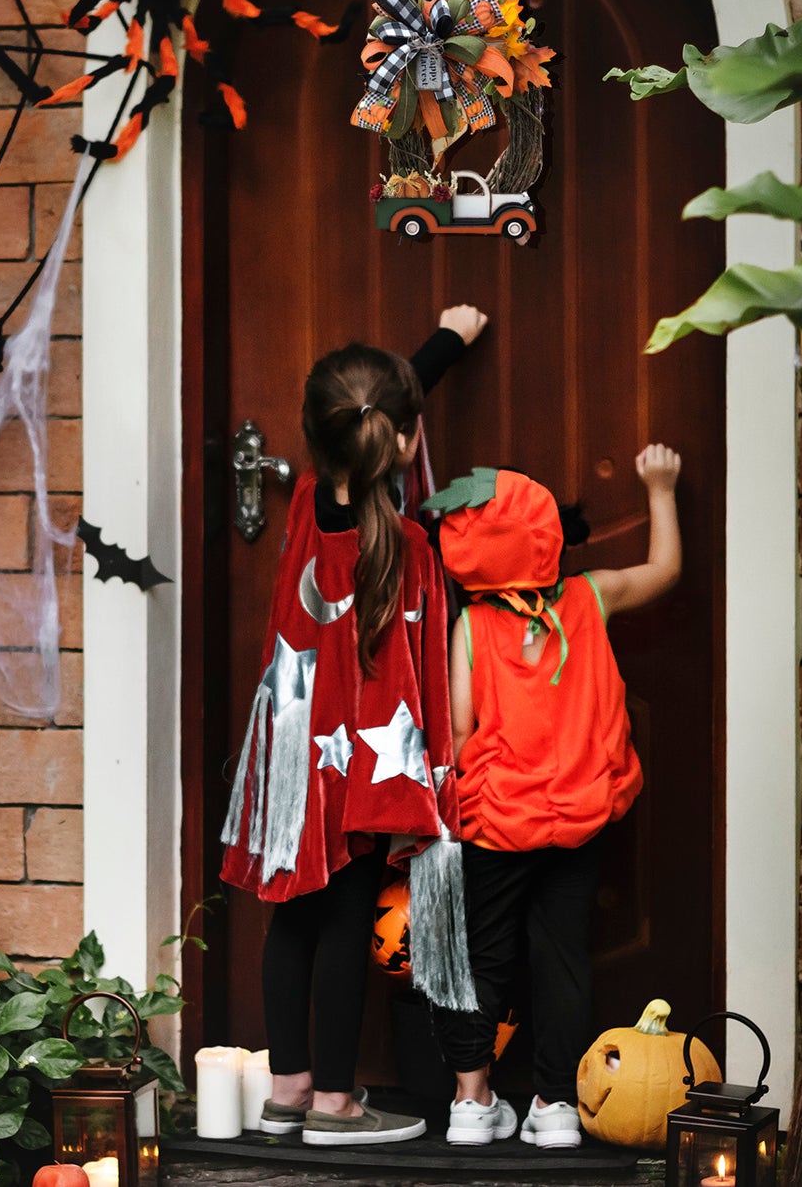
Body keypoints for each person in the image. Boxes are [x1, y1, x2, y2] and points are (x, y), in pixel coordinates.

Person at [220, 308, 487, 1147]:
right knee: (344, 917)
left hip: (294, 751)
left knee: (288, 911)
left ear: (319, 440)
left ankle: (288, 1087)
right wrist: (450, 343)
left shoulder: (301, 503)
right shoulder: (411, 546)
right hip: (366, 761)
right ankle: (337, 1102)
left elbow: (364, 411)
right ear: (403, 443)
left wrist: (436, 348)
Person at [425, 446, 682, 1149]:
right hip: (578, 816)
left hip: (494, 822)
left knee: (482, 960)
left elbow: (457, 728)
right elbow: (663, 570)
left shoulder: (472, 626)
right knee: (562, 957)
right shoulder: (591, 595)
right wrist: (659, 488)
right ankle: (555, 1103)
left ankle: (471, 1102)